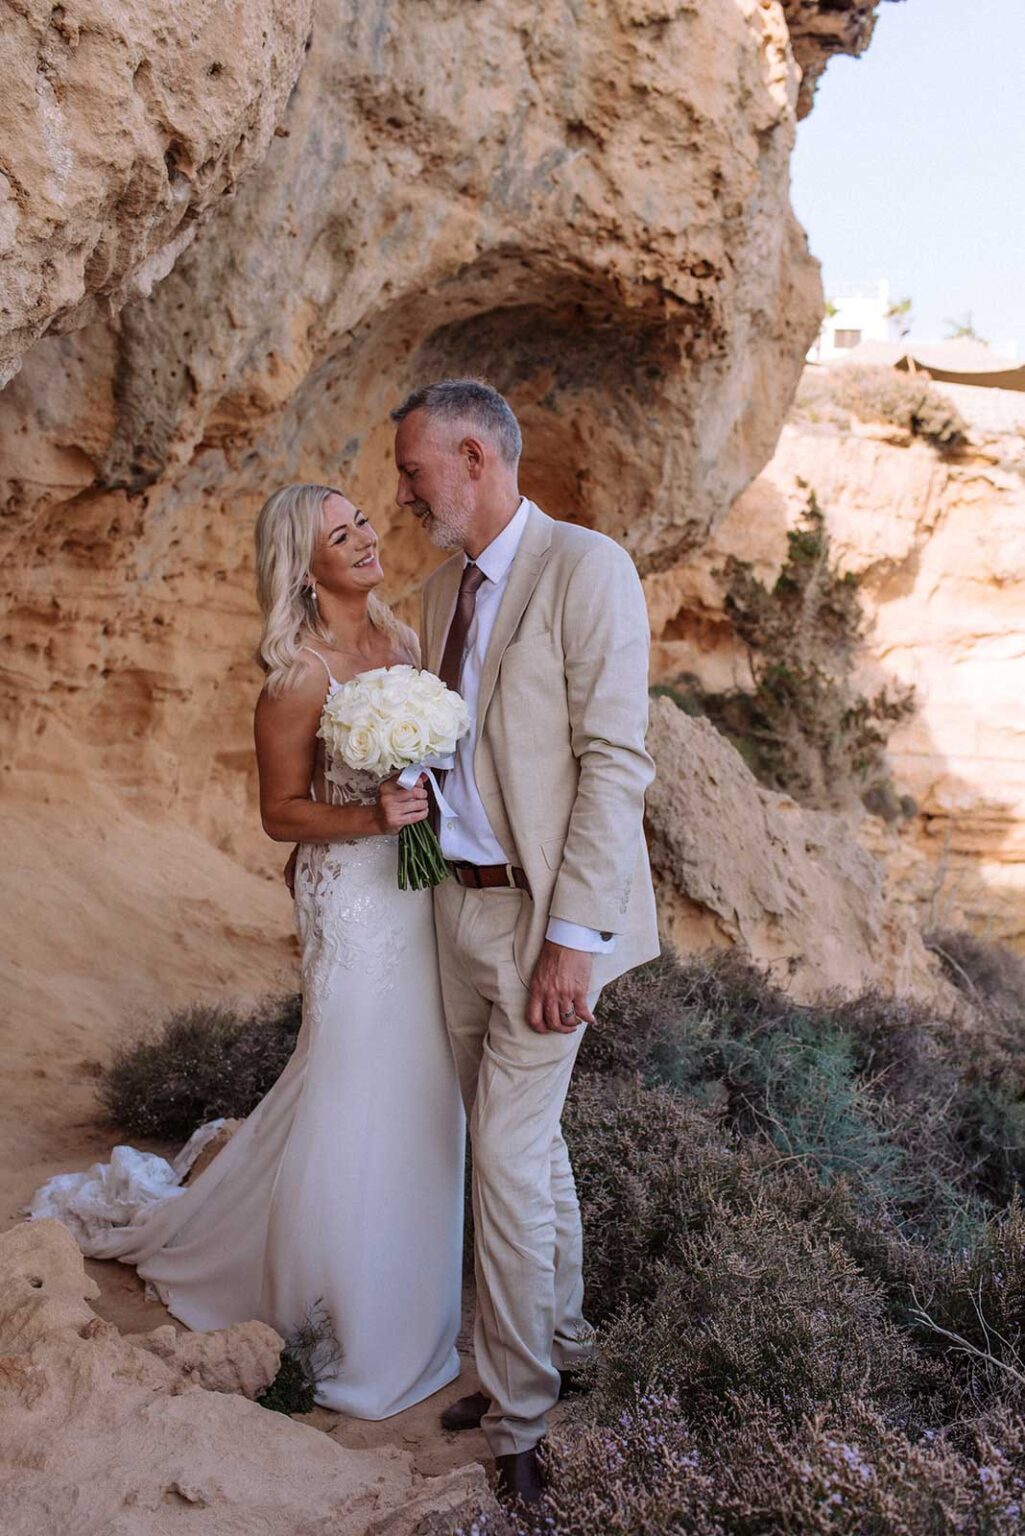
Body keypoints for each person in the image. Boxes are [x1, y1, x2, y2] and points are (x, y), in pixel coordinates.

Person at [28, 483, 465, 1421]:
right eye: (338, 536)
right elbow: (280, 814)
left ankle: (409, 1303)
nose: (365, 540)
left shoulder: (404, 641)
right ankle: (333, 1324)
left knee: (419, 1087)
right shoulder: (296, 676)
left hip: (418, 892)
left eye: (361, 522)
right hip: (351, 899)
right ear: (302, 569)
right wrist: (373, 817)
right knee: (351, 1086)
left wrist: (418, 810)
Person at [392, 379, 659, 1504]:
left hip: (546, 922)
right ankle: (561, 1344)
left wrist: (573, 939)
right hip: (453, 911)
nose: (405, 496)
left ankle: (520, 1420)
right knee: (527, 1150)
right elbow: (449, 754)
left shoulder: (585, 569)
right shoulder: (436, 590)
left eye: (414, 474)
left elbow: (614, 763)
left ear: (474, 457)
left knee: (501, 1157)